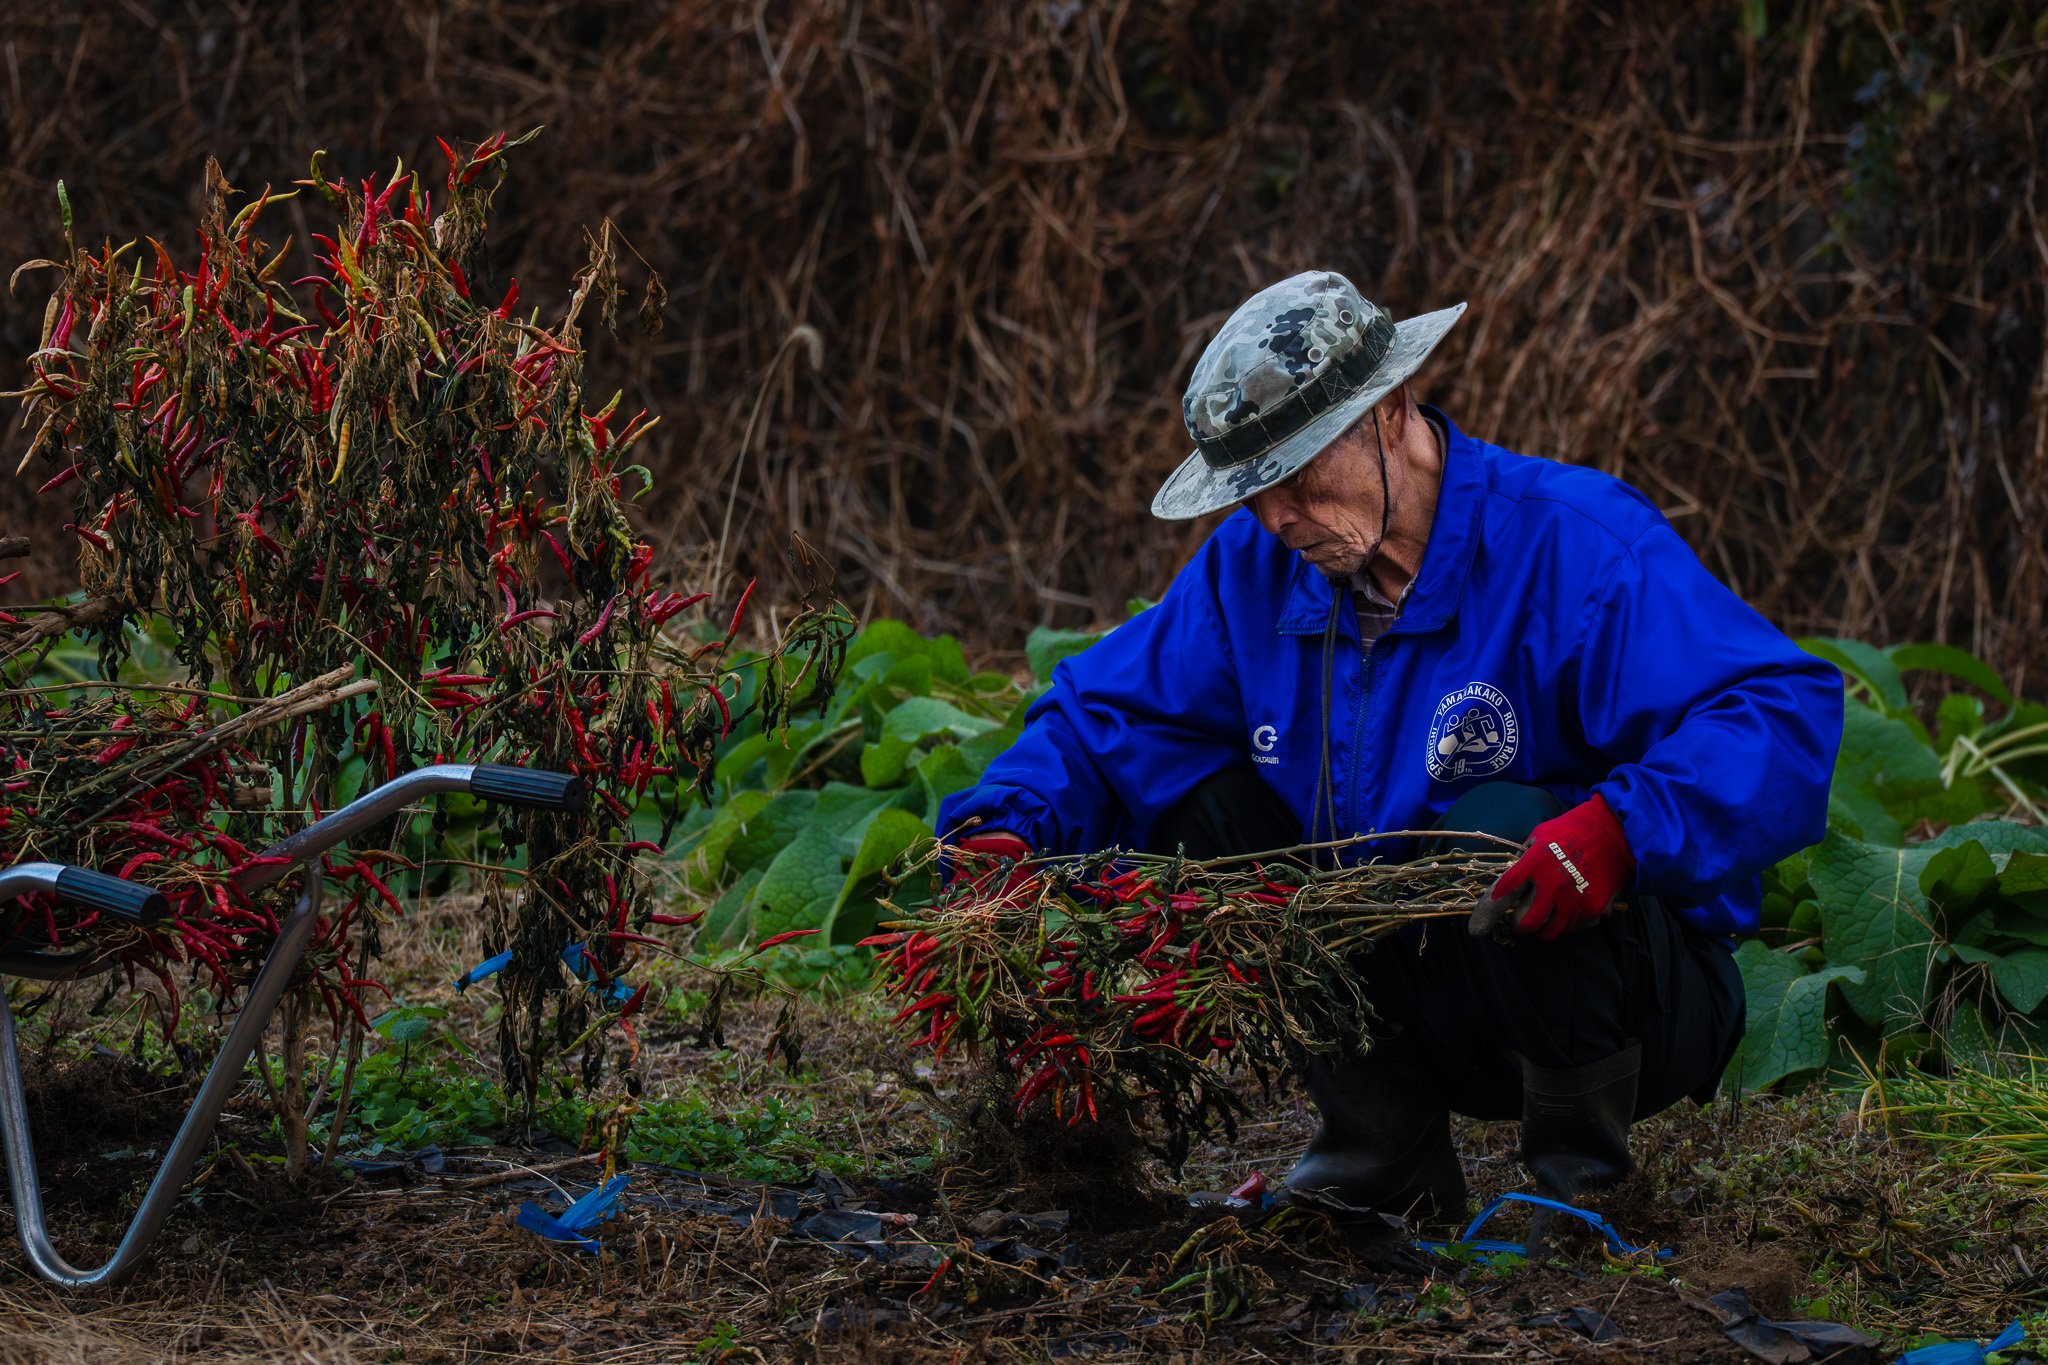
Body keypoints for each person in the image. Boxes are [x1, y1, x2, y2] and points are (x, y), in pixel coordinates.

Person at [937, 269, 1843, 1233]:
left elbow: (1779, 711)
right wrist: (1010, 824)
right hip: (1408, 987)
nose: (1279, 516)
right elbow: (1102, 714)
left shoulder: (1574, 543)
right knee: (1208, 807)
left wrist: (1621, 832)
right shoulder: (1257, 572)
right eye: (1253, 494)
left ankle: (1577, 1188)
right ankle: (1379, 1161)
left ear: (1392, 408)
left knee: (1497, 823)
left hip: (1627, 994)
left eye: (1299, 475)